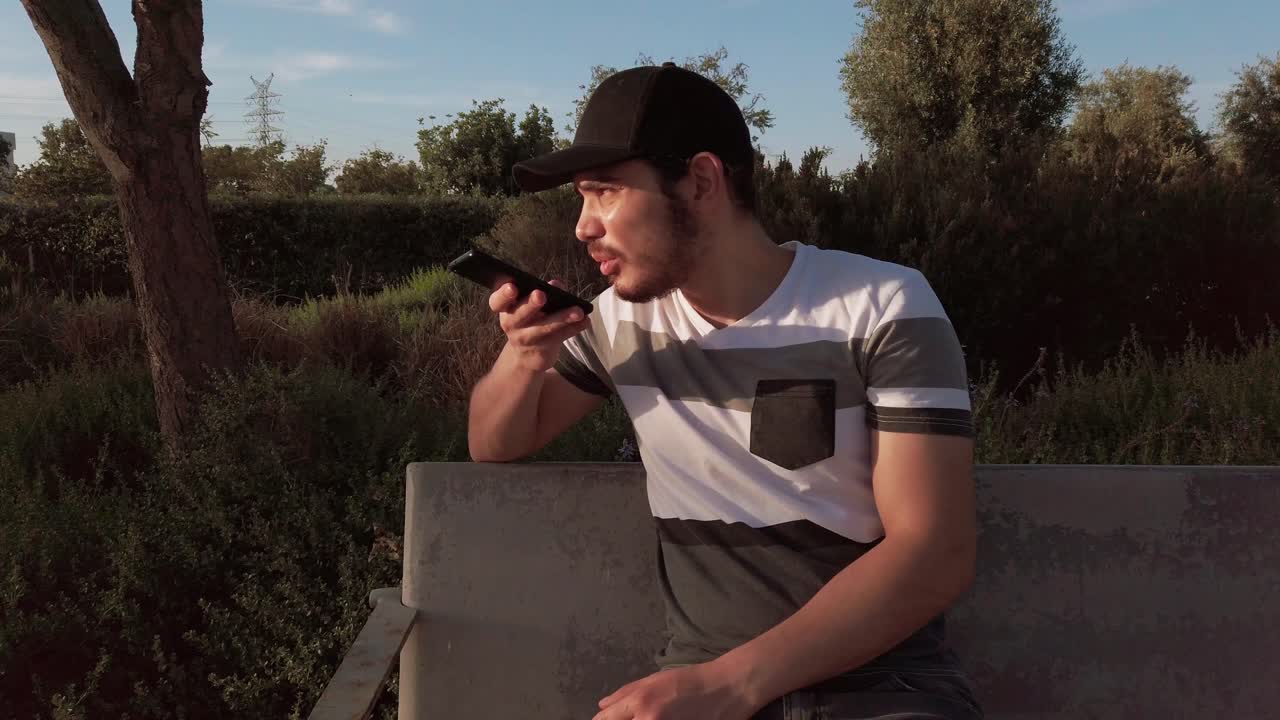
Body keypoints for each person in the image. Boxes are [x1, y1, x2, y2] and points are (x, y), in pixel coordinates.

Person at [467, 62, 983, 720]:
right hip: (693, 689)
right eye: (581, 199)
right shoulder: (624, 322)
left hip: (882, 691)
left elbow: (934, 552)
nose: (583, 226)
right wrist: (522, 357)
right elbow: (494, 443)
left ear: (701, 181)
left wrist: (729, 686)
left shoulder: (879, 308)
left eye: (605, 193)